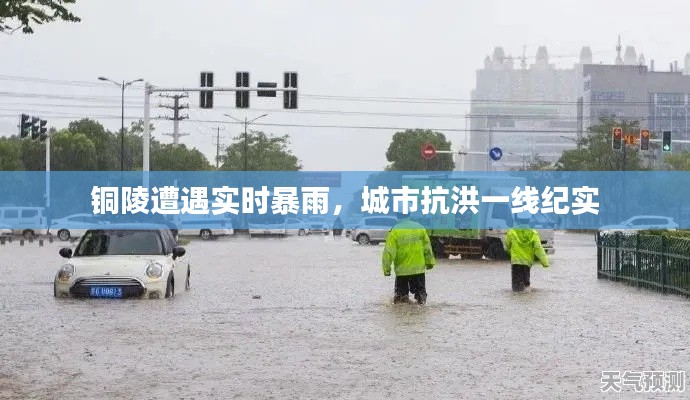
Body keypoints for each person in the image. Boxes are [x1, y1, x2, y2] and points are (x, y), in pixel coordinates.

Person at [382, 212, 436, 304]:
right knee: (421, 298)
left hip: (402, 271)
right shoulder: (420, 228)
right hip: (418, 270)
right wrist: (430, 262)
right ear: (410, 214)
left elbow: (388, 252)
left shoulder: (394, 231)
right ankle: (421, 315)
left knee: (400, 300)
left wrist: (386, 269)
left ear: (397, 216)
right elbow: (427, 248)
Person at [505, 211, 550, 292]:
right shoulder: (533, 233)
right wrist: (545, 262)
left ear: (518, 220)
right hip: (527, 264)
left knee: (516, 290)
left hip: (516, 263)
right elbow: (538, 248)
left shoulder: (512, 232)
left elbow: (507, 246)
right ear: (529, 220)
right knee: (526, 288)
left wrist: (510, 253)